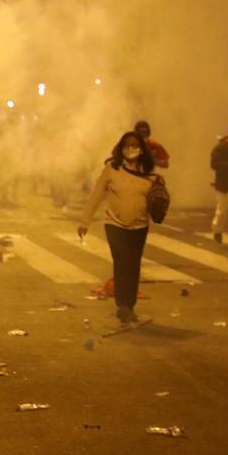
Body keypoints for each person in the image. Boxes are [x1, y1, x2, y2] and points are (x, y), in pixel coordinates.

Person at [78, 132, 157, 325]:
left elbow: (156, 199)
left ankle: (130, 305)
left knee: (133, 265)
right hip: (115, 224)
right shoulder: (111, 169)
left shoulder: (149, 173)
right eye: (127, 146)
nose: (131, 149)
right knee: (121, 263)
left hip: (139, 226)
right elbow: (96, 195)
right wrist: (85, 221)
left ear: (141, 149)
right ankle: (122, 305)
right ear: (121, 149)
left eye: (135, 145)